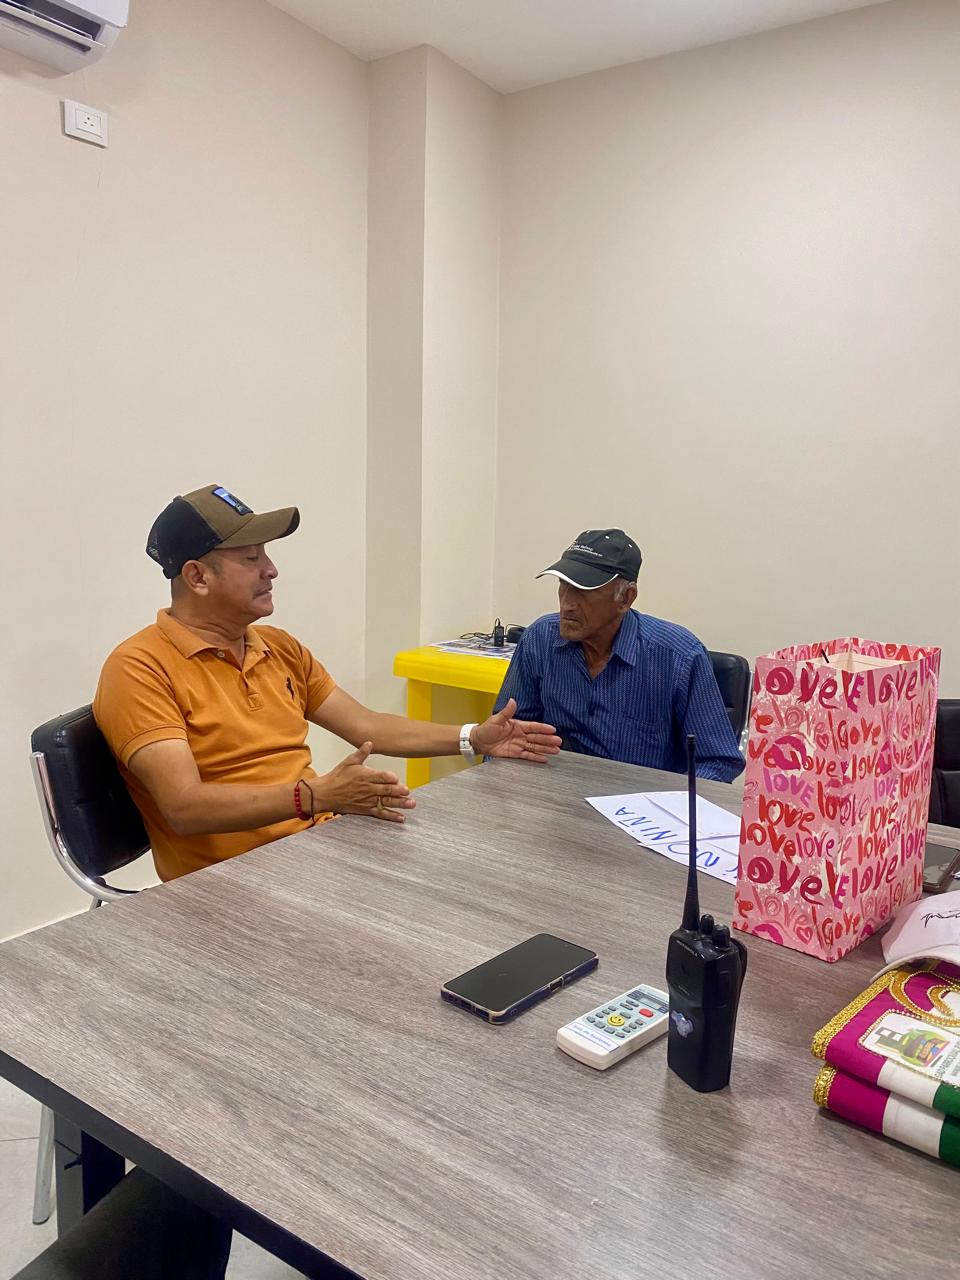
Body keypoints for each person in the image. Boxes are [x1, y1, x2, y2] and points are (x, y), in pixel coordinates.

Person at [94, 485, 561, 882]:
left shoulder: (278, 647)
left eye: (266, 555)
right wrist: (314, 795)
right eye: (251, 558)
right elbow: (185, 807)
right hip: (234, 881)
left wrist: (473, 737)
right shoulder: (139, 668)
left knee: (477, 870)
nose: (271, 570)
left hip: (318, 846)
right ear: (197, 576)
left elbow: (367, 726)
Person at [493, 529, 744, 782]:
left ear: (626, 598)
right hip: (556, 794)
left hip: (644, 799)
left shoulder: (679, 657)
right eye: (563, 586)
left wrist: (672, 802)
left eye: (583, 591)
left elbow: (717, 760)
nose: (567, 604)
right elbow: (508, 738)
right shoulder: (540, 640)